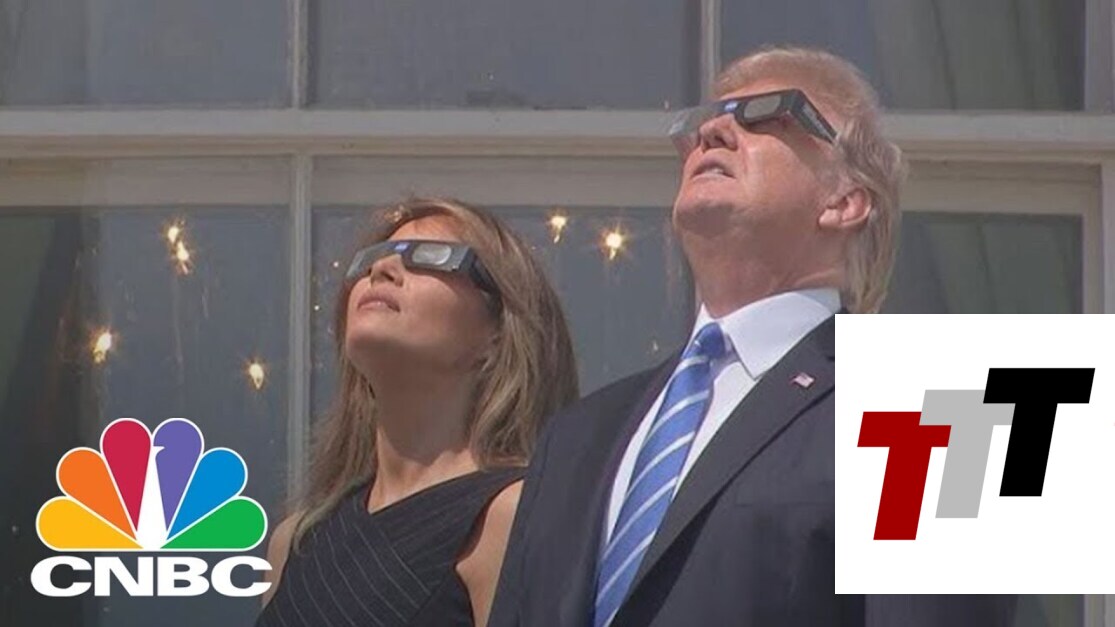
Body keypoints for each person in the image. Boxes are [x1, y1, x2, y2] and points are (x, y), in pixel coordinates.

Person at [488, 46, 1015, 626]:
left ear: (844, 202)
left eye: (766, 114)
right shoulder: (575, 436)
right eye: (703, 122)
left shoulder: (953, 402)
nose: (711, 132)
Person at [257, 197, 579, 627]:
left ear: (497, 334)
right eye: (370, 260)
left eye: (431, 257)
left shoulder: (511, 516)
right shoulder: (295, 542)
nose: (382, 269)